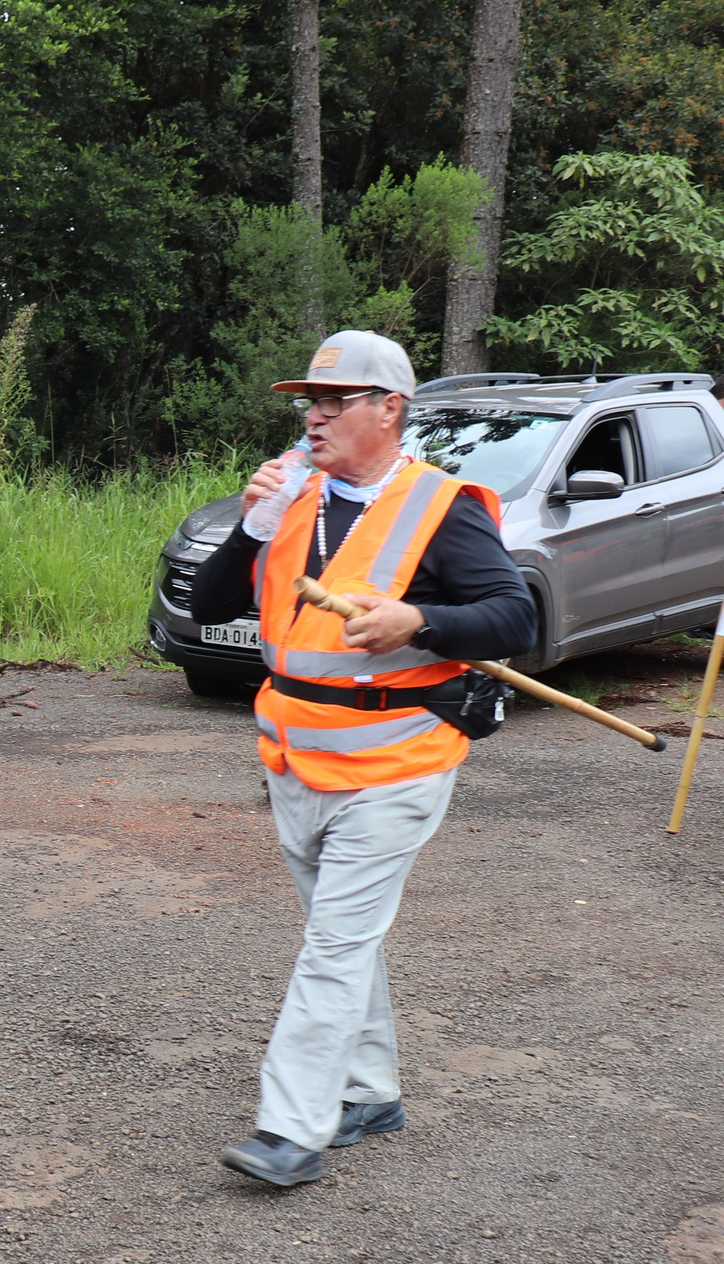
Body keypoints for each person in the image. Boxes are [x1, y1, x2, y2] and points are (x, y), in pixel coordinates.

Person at [189, 330, 536, 1188]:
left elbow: (513, 617)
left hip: (398, 764)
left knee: (335, 945)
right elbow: (209, 605)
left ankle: (290, 1129)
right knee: (341, 937)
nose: (314, 416)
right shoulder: (293, 497)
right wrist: (248, 528)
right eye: (309, 401)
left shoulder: (440, 506)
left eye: (334, 401)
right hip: (295, 760)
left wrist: (421, 622)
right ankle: (371, 1092)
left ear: (390, 409)